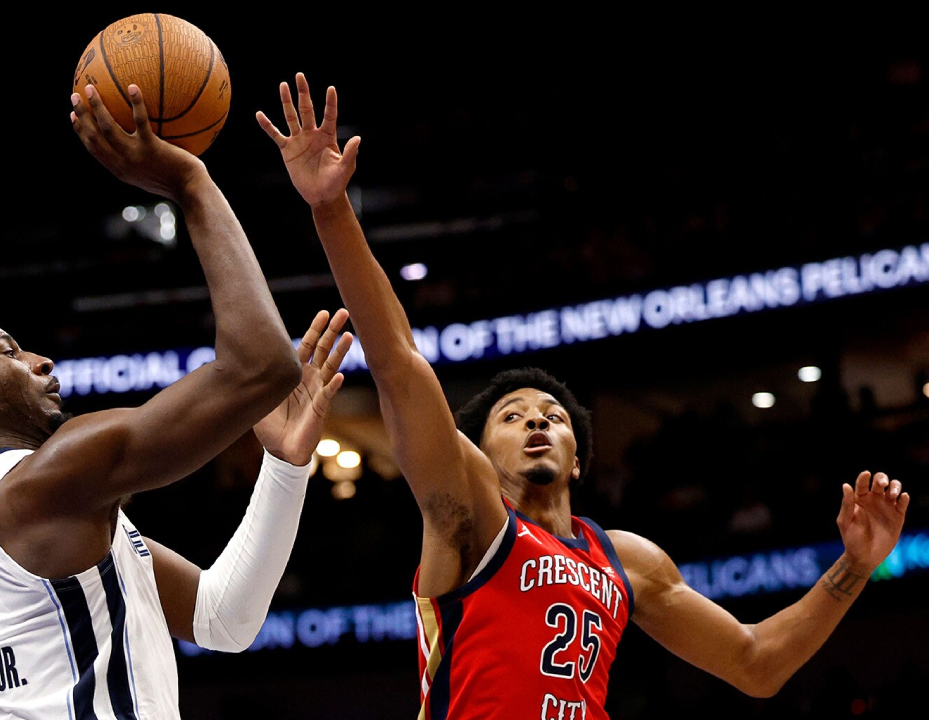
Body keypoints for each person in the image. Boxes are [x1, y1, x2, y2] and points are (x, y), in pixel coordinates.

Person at [257, 72, 912, 719]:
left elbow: (755, 663)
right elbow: (399, 364)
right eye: (513, 416)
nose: (536, 421)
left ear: (577, 460)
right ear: (480, 454)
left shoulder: (627, 560)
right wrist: (331, 209)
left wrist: (855, 567)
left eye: (553, 416)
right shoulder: (472, 514)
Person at [0, 80, 353, 720]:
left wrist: (284, 468)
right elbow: (260, 366)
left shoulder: (46, 502)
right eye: (9, 352)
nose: (41, 361)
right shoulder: (44, 484)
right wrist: (191, 183)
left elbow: (223, 620)